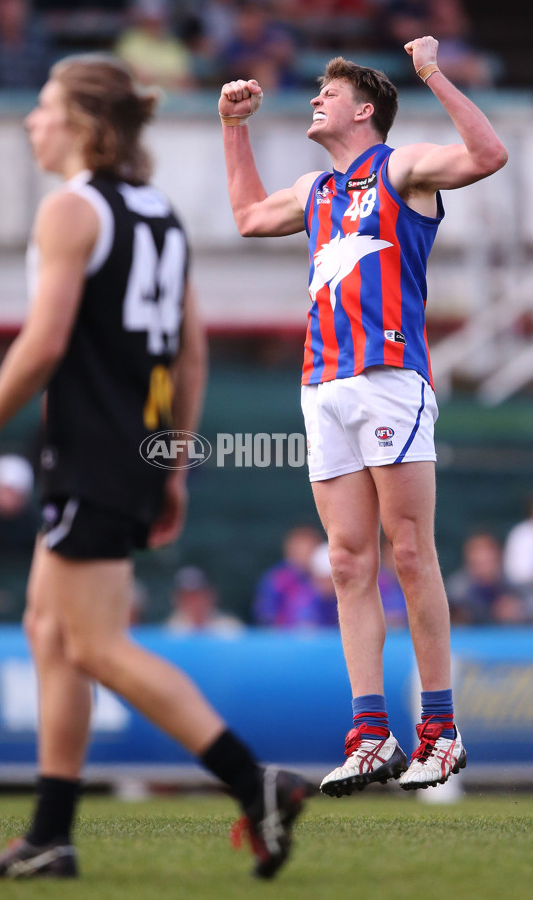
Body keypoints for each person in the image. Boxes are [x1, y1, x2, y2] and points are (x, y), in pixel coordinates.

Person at [0, 54, 308, 880]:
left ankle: (257, 782)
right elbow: (193, 350)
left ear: (81, 124)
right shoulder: (158, 213)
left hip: (90, 452)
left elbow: (45, 344)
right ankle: (51, 834)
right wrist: (171, 463)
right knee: (49, 631)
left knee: (96, 644)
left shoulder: (70, 211)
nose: (31, 121)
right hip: (129, 451)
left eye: (44, 105)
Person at [219, 35, 507, 795]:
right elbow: (247, 216)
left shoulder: (400, 165)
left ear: (365, 109)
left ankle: (440, 732)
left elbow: (488, 155)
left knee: (408, 552)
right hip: (324, 385)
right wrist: (231, 128)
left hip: (388, 379)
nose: (316, 97)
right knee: (348, 562)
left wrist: (435, 74)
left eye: (328, 90)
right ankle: (370, 732)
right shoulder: (315, 191)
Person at [446, 531, 527, 625]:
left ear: (498, 555)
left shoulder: (515, 582)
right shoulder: (456, 590)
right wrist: (458, 617)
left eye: (487, 553)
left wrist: (520, 611)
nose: (482, 557)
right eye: (476, 554)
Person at [165, 565, 245, 635]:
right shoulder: (170, 631)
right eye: (187, 597)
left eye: (197, 595)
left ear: (210, 595)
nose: (193, 602)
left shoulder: (229, 628)